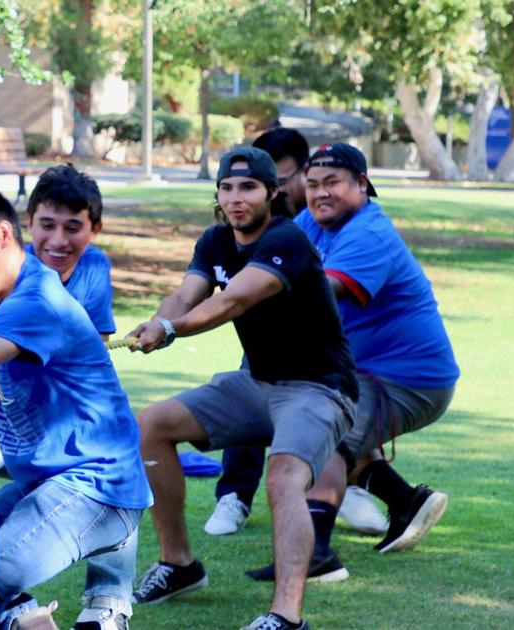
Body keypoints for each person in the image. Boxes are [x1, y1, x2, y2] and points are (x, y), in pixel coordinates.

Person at [127, 147, 357, 630]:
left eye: (249, 187)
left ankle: (285, 617)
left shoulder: (287, 240)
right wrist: (155, 322)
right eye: (227, 188)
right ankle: (179, 564)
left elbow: (234, 299)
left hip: (319, 389)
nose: (236, 198)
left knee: (282, 476)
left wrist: (171, 332)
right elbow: (188, 294)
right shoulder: (215, 242)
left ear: (272, 193)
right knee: (149, 425)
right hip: (258, 383)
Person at [0, 181, 151, 630]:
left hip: (96, 490)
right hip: (48, 483)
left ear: (3, 235)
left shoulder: (38, 300)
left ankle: (81, 609)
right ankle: (28, 621)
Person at [243, 144, 458, 585]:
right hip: (366, 371)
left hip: (409, 377)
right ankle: (404, 501)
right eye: (314, 183)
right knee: (311, 416)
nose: (320, 193)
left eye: (333, 183)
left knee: (324, 432)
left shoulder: (368, 233)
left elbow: (317, 293)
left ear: (362, 184)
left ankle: (317, 555)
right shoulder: (310, 223)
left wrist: (240, 297)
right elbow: (271, 262)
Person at [208, 128, 390, 538]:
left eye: (284, 177)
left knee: (328, 395)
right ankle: (235, 493)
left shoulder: (317, 218)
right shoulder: (271, 220)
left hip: (327, 341)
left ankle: (348, 487)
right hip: (264, 329)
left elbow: (328, 287)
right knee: (249, 381)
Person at [0, 164, 114, 485]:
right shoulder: (1, 268)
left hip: (40, 422)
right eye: (47, 225)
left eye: (73, 228)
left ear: (95, 229)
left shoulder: (94, 268)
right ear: (29, 223)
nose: (58, 240)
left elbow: (97, 349)